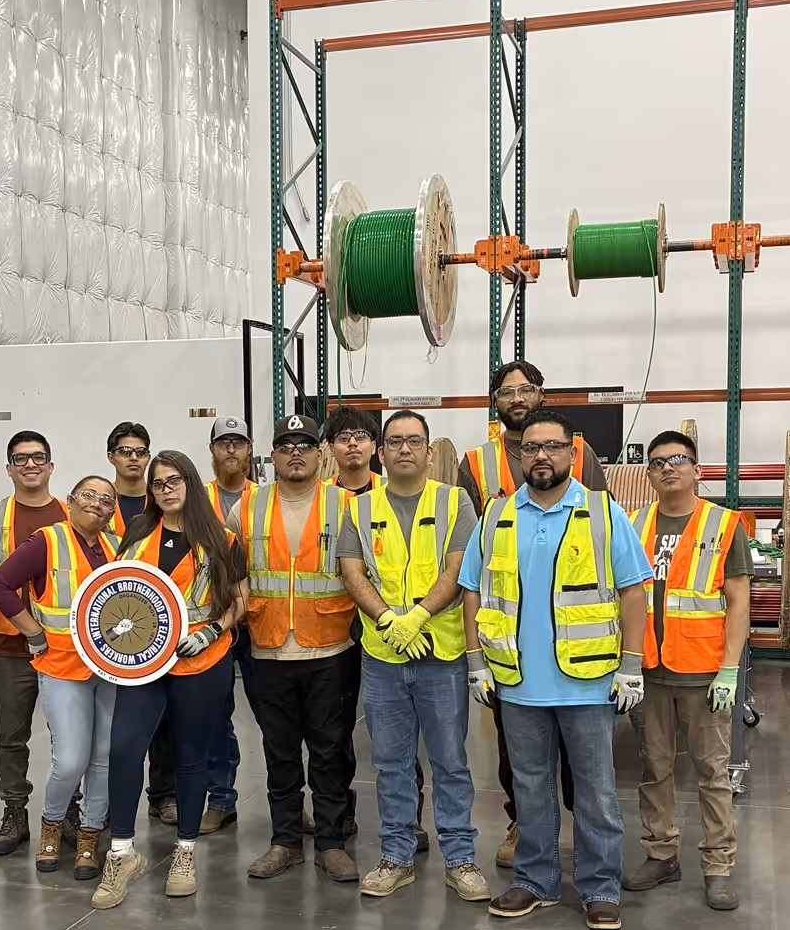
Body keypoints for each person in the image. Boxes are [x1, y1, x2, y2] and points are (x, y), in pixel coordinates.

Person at [461, 408, 651, 930]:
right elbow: (473, 590)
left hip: (588, 683)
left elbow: (635, 589)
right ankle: (535, 881)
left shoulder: (603, 513)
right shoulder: (498, 516)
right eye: (530, 448)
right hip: (518, 684)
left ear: (573, 453)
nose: (540, 456)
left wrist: (630, 667)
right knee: (531, 789)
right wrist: (477, 663)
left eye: (552, 446)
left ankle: (599, 888)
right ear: (519, 456)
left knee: (595, 792)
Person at [458, 360, 606, 871]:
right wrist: (477, 656)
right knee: (517, 754)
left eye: (525, 389)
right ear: (495, 401)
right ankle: (523, 824)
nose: (516, 397)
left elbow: (601, 534)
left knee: (585, 768)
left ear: (541, 395)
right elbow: (472, 554)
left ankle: (589, 859)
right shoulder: (475, 464)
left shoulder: (580, 453)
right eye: (506, 391)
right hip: (511, 642)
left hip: (578, 646)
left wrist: (628, 661)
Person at [336, 410, 485, 902]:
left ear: (428, 450)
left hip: (440, 653)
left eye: (413, 441)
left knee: (450, 762)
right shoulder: (358, 509)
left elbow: (460, 567)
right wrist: (388, 622)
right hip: (383, 655)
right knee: (392, 762)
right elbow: (353, 572)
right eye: (395, 441)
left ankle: (460, 858)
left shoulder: (455, 501)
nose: (404, 449)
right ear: (381, 452)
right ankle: (396, 857)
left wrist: (418, 616)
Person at [95, 451, 249, 909]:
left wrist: (211, 632)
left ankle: (185, 852)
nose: (165, 489)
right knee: (124, 748)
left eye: (174, 480)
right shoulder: (138, 533)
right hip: (142, 662)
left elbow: (240, 599)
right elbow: (117, 591)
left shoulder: (222, 539)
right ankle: (121, 854)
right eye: (158, 483)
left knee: (190, 757)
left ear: (192, 483)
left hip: (201, 661)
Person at [622, 430, 751, 912]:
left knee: (711, 773)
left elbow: (738, 602)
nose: (667, 468)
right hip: (650, 669)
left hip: (703, 672)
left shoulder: (723, 525)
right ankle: (661, 855)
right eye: (657, 463)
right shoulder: (633, 525)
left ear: (697, 469)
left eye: (678, 460)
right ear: (649, 475)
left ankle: (718, 866)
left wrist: (730, 670)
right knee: (653, 768)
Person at [241, 413, 359, 883]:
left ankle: (331, 842)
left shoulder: (347, 505)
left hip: (330, 648)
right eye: (286, 444)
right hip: (267, 649)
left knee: (331, 750)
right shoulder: (246, 508)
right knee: (280, 752)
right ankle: (285, 840)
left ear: (319, 453)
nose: (295, 452)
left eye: (304, 444)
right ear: (272, 456)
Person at [0, 474, 121, 882]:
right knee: (70, 761)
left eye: (106, 499)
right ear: (70, 500)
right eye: (89, 496)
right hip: (62, 667)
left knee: (102, 759)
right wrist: (32, 631)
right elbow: (0, 584)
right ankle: (50, 825)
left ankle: (88, 837)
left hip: (111, 667)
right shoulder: (47, 541)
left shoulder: (119, 547)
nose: (97, 504)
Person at [0, 430, 67, 866]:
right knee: (11, 736)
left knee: (71, 736)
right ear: (9, 468)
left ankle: (71, 814)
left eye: (38, 457)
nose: (30, 465)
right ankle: (15, 814)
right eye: (20, 458)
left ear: (50, 465)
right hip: (9, 647)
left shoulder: (70, 513)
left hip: (66, 648)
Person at [106, 420, 175, 825]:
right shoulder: (98, 502)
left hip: (158, 627)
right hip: (112, 629)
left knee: (163, 719)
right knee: (115, 724)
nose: (133, 458)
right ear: (111, 456)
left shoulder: (161, 505)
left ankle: (163, 795)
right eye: (125, 451)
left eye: (140, 452)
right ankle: (110, 800)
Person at [200, 415, 256, 836]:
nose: (231, 450)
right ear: (212, 450)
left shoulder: (267, 499)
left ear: (250, 449)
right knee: (215, 715)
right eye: (224, 443)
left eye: (239, 442)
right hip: (211, 625)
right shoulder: (195, 501)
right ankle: (221, 799)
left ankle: (289, 801)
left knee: (278, 722)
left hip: (259, 622)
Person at [323, 405, 382, 496]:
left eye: (360, 436)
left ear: (373, 447)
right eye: (343, 437)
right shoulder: (322, 493)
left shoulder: (390, 489)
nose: (352, 442)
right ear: (331, 449)